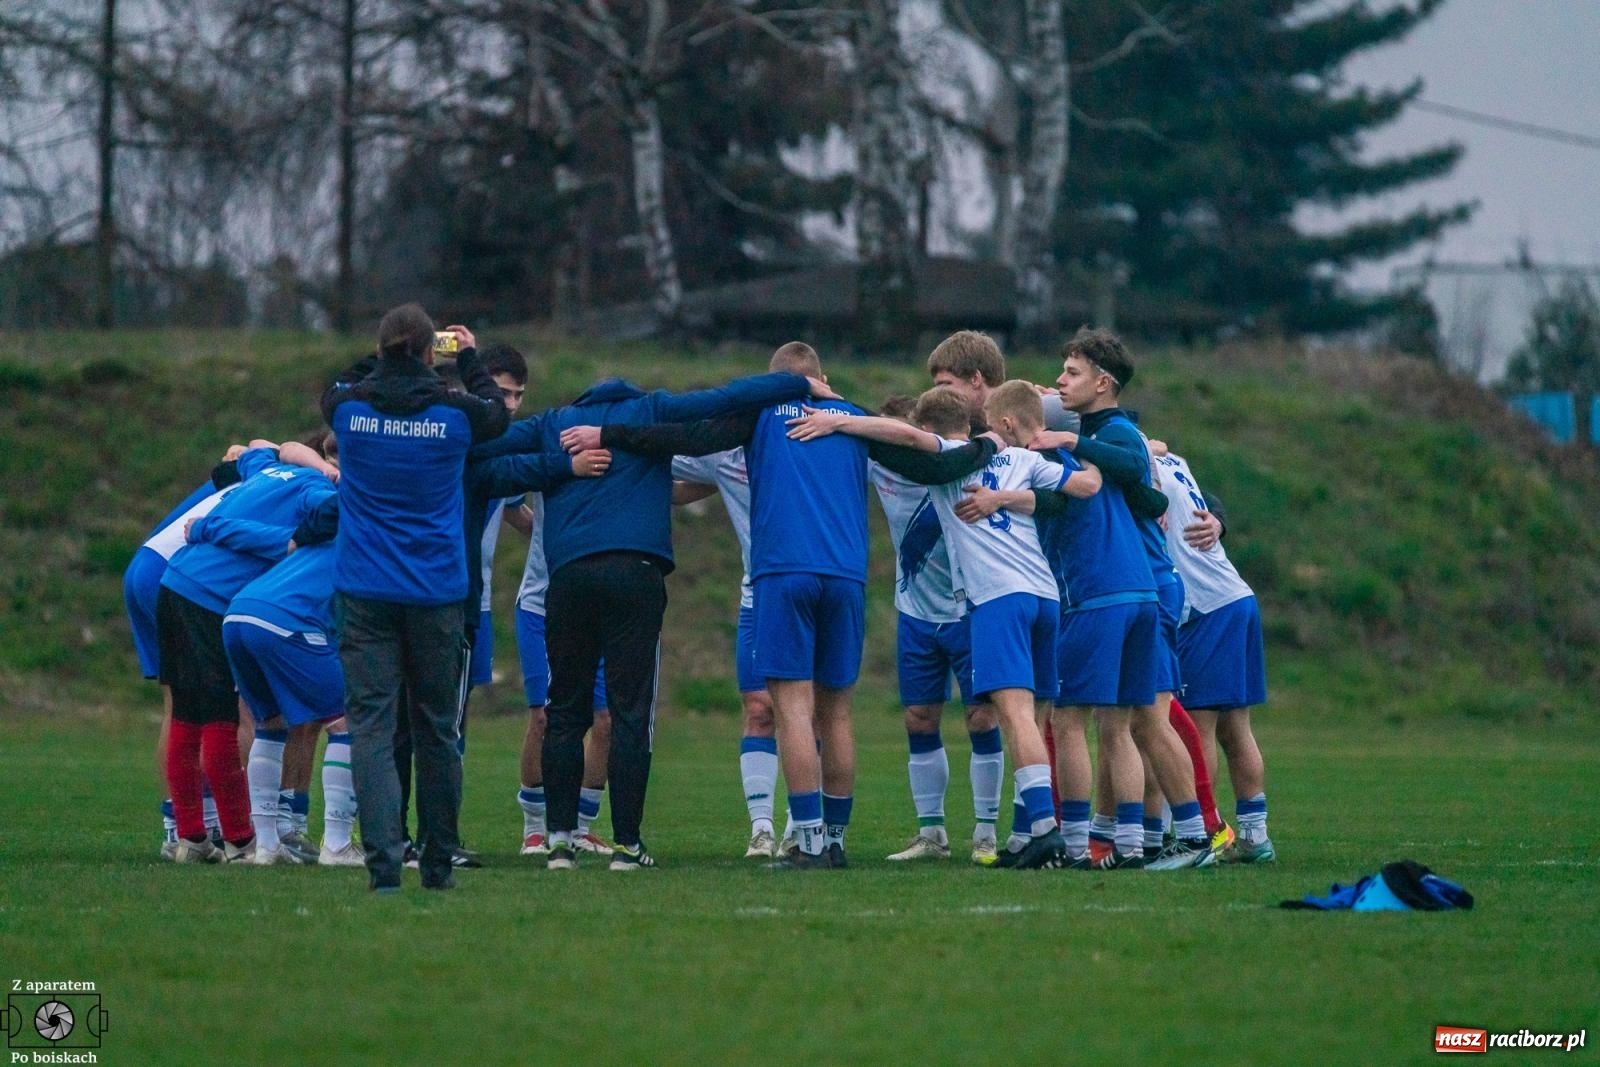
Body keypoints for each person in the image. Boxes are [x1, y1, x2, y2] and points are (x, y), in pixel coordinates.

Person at [473, 357, 822, 870]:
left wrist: (556, 466)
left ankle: (560, 841)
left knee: (564, 710)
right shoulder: (653, 411)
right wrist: (797, 382)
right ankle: (628, 846)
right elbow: (724, 397)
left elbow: (482, 457)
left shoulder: (552, 424)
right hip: (636, 572)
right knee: (630, 711)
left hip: (568, 577)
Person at [785, 381, 1102, 869]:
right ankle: (1022, 836)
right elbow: (1087, 486)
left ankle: (1043, 829)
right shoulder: (1023, 459)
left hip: (998, 598)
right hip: (1044, 595)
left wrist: (837, 419)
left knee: (1014, 715)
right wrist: (1043, 467)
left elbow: (907, 441)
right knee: (1037, 716)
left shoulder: (953, 455)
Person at [321, 305, 509, 892]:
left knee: (372, 727)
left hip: (365, 591)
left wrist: (385, 353)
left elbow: (337, 384)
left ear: (382, 352)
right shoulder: (454, 417)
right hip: (435, 593)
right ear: (433, 353)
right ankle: (436, 864)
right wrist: (470, 356)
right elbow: (498, 414)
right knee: (436, 730)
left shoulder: (349, 414)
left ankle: (382, 867)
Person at [1035, 328, 1216, 869]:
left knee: (1120, 721)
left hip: (1132, 589)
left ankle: (1186, 834)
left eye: (1072, 373)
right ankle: (1141, 839)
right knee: (1130, 723)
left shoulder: (1112, 434)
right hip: (1139, 589)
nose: (1061, 381)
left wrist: (1069, 443)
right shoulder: (1102, 430)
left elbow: (1134, 466)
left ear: (1103, 382)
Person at [158, 444, 339, 863]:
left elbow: (249, 451)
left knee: (186, 717)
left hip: (173, 583)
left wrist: (207, 526)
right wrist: (288, 540)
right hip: (210, 596)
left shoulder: (271, 470)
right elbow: (322, 521)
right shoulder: (317, 493)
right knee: (221, 720)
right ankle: (240, 841)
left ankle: (191, 839)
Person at [869, 396, 1005, 866]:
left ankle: (986, 831)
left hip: (970, 609)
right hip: (916, 613)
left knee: (982, 719)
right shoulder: (881, 465)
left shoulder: (962, 462)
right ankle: (932, 832)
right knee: (919, 719)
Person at [1151, 443, 1274, 863]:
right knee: (1235, 728)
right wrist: (1219, 520)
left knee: (1197, 729)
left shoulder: (1138, 461)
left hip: (1207, 608)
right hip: (1235, 598)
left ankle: (1201, 831)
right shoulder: (1172, 458)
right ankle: (1255, 837)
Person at [668, 448, 780, 858]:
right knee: (758, 709)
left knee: (815, 711)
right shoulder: (728, 454)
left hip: (816, 589)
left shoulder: (824, 435)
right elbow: (661, 462)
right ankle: (762, 828)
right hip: (758, 597)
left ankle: (809, 828)